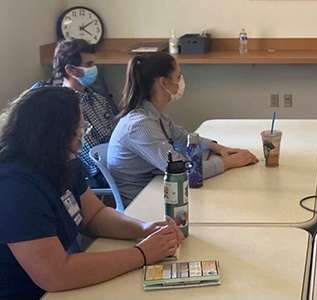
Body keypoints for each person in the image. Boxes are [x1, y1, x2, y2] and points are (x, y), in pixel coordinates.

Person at [0, 87, 184, 300]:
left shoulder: (62, 162)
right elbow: (56, 274)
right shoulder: (15, 187)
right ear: (56, 136)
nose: (82, 137)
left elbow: (95, 215)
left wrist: (144, 228)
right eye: (80, 129)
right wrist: (141, 254)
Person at [108, 52, 258, 205]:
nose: (180, 82)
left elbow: (184, 138)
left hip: (158, 188)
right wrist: (228, 163)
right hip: (141, 205)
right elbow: (181, 171)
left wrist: (218, 147)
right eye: (178, 77)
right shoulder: (141, 126)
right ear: (164, 82)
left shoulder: (155, 116)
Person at [53, 39, 118, 188]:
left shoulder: (99, 99)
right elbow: (92, 157)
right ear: (70, 70)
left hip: (118, 163)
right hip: (99, 174)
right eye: (89, 64)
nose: (94, 68)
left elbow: (118, 136)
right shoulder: (64, 107)